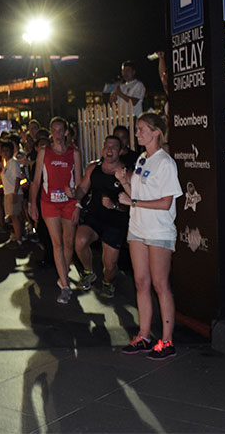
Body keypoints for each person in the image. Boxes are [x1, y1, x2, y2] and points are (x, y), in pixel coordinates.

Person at [115, 113, 182, 359]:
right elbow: (137, 196)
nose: (137, 133)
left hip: (158, 230)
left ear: (156, 132)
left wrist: (132, 199)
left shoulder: (166, 162)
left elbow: (166, 203)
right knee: (141, 282)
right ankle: (144, 335)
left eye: (142, 129)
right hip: (138, 228)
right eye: (137, 129)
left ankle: (167, 340)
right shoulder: (143, 158)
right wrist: (125, 183)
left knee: (160, 284)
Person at [29, 117, 83, 303]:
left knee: (69, 243)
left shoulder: (74, 153)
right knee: (57, 243)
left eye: (61, 130)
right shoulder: (44, 152)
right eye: (55, 130)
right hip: (49, 202)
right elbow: (36, 181)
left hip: (68, 202)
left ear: (66, 132)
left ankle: (63, 276)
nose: (58, 134)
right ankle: (66, 285)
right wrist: (32, 204)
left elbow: (80, 182)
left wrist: (76, 201)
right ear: (51, 132)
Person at [71, 135, 129, 298]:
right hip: (94, 216)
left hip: (116, 222)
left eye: (114, 147)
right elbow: (82, 189)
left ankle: (108, 281)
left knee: (109, 266)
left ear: (121, 151)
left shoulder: (126, 173)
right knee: (80, 242)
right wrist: (74, 193)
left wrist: (114, 205)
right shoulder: (93, 168)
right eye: (106, 146)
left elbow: (132, 204)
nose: (109, 150)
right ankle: (89, 272)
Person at [0, 139, 25, 247]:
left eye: (7, 150)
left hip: (13, 193)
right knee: (14, 217)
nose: (5, 153)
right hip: (8, 193)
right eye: (3, 151)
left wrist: (15, 193)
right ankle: (18, 236)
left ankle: (19, 239)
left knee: (15, 217)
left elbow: (18, 178)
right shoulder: (7, 163)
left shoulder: (13, 163)